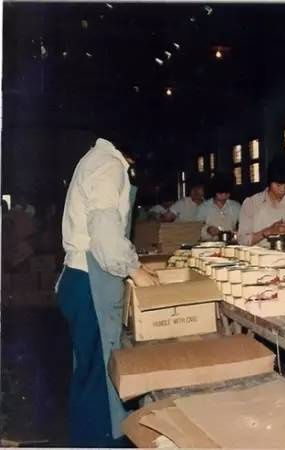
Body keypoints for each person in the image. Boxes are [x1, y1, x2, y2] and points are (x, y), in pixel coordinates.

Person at [56, 133, 159, 447]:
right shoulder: (109, 166)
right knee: (101, 381)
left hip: (82, 279)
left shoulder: (96, 160)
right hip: (91, 283)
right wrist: (135, 270)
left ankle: (87, 440)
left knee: (89, 376)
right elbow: (106, 238)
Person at [238, 154, 285, 246]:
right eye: (278, 185)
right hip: (258, 254)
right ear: (270, 181)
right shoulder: (251, 203)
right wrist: (269, 231)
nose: (282, 190)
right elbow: (242, 241)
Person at [199, 172, 241, 240]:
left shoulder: (236, 207)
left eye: (226, 192)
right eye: (220, 192)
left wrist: (236, 233)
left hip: (230, 243)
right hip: (208, 243)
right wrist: (207, 230)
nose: (224, 194)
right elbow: (195, 230)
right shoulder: (204, 208)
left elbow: (245, 226)